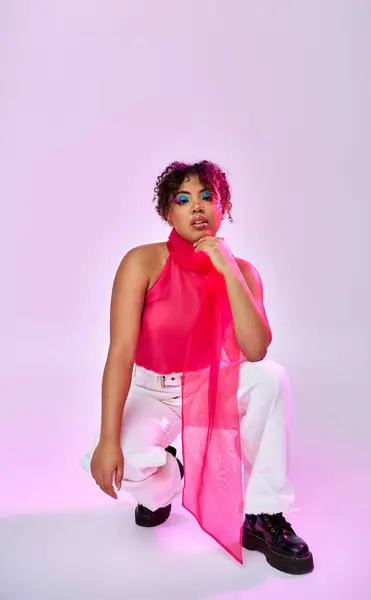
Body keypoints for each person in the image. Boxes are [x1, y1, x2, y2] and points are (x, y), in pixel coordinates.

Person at [81, 160, 314, 575]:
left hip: (213, 384)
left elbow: (256, 349)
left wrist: (225, 268)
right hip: (153, 388)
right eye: (183, 200)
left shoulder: (241, 271)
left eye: (208, 197)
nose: (197, 208)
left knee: (270, 378)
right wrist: (108, 439)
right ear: (167, 213)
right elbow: (119, 353)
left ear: (224, 208)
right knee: (118, 463)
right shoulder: (142, 262)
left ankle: (263, 513)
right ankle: (168, 480)